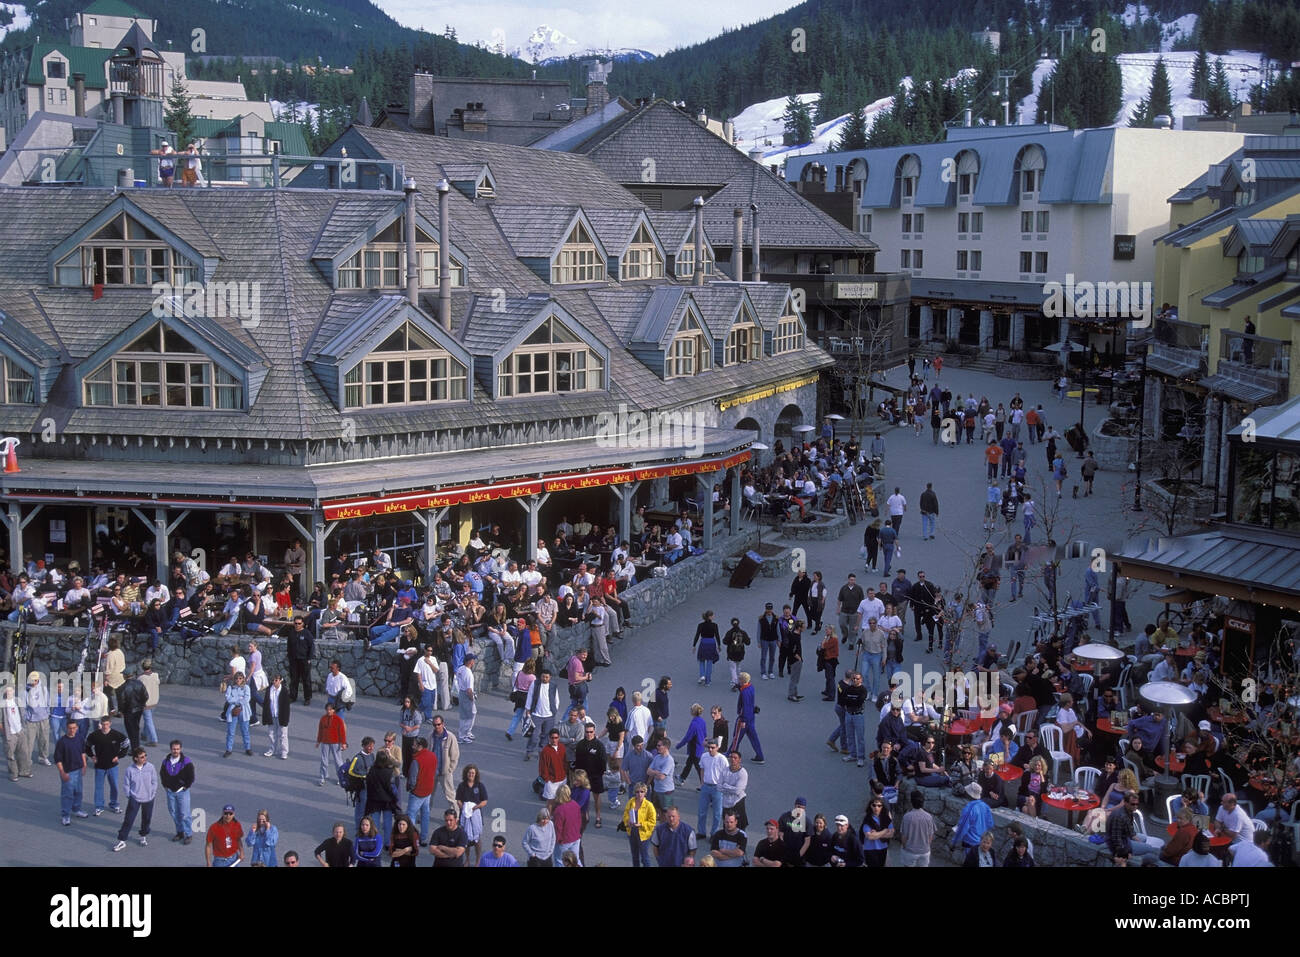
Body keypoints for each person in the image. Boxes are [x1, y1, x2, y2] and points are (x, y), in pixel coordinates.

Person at [572, 721, 608, 828]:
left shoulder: (599, 745)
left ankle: (598, 816)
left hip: (596, 775)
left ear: (594, 731)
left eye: (591, 732)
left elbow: (603, 761)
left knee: (596, 797)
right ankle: (584, 815)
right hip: (583, 776)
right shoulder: (580, 745)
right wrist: (577, 775)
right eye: (587, 732)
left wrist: (600, 773)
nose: (589, 734)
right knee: (583, 797)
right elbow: (577, 760)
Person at [1107, 790, 1159, 861]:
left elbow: (1130, 831)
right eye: (1132, 804)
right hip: (1118, 842)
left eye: (1137, 804)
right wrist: (1124, 852)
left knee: (1144, 838)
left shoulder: (1129, 811)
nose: (1135, 806)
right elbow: (1116, 839)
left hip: (1124, 836)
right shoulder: (1120, 816)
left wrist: (1138, 841)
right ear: (1125, 803)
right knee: (1150, 848)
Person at [456, 764, 489, 864]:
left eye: (473, 773)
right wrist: (464, 808)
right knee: (465, 839)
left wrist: (475, 807)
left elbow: (484, 801)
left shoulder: (480, 786)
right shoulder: (462, 785)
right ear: (466, 774)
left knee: (477, 839)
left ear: (476, 774)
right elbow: (458, 800)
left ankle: (478, 860)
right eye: (469, 773)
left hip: (476, 815)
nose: (471, 774)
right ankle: (467, 859)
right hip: (465, 816)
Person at [730, 672, 764, 764]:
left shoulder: (744, 693)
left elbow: (745, 706)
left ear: (742, 680)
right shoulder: (750, 687)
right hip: (751, 717)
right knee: (754, 737)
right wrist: (738, 687)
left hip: (744, 718)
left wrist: (743, 719)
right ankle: (760, 756)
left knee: (737, 737)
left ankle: (731, 753)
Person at [620, 782, 656, 866]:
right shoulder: (631, 802)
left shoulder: (649, 805)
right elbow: (625, 814)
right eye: (637, 792)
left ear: (645, 792)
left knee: (645, 857)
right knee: (634, 856)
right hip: (632, 832)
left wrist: (641, 824)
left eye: (642, 791)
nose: (639, 794)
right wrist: (627, 821)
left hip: (643, 834)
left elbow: (652, 822)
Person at [898, 789, 935, 866]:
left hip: (910, 851)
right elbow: (930, 836)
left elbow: (904, 837)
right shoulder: (929, 817)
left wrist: (905, 847)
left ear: (911, 802)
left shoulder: (907, 817)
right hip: (925, 851)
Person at [315, 702, 348, 786]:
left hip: (335, 743)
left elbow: (342, 732)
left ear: (334, 710)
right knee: (324, 761)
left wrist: (343, 743)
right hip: (325, 742)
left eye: (331, 709)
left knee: (338, 761)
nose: (329, 711)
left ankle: (340, 777)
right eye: (327, 709)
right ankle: (322, 776)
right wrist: (318, 741)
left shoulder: (338, 720)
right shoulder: (323, 719)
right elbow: (320, 731)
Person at [221, 672, 252, 758]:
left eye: (240, 678)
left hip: (244, 710)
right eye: (236, 678)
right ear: (234, 679)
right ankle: (229, 749)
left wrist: (237, 701)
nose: (238, 680)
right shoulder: (231, 687)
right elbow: (228, 698)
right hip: (233, 711)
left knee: (245, 731)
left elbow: (247, 699)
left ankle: (248, 748)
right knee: (231, 731)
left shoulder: (246, 687)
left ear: (243, 679)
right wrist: (239, 700)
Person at [430, 715, 460, 804]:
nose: (437, 727)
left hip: (445, 773)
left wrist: (450, 769)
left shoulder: (450, 737)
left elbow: (455, 755)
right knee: (428, 796)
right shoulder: (430, 736)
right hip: (432, 772)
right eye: (434, 725)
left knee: (451, 797)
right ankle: (425, 817)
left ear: (443, 724)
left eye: (438, 724)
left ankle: (456, 816)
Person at [262, 674, 291, 759]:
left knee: (283, 735)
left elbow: (287, 707)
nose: (274, 682)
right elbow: (266, 703)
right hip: (271, 715)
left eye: (276, 680)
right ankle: (272, 749)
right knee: (271, 734)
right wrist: (266, 715)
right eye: (273, 680)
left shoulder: (284, 691)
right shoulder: (269, 690)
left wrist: (286, 719)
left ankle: (284, 752)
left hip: (281, 716)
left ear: (280, 680)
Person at [693, 610, 720, 686]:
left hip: (703, 642)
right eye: (713, 615)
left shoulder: (700, 625)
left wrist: (694, 645)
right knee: (709, 662)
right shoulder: (715, 625)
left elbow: (697, 635)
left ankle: (702, 675)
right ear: (710, 617)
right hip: (711, 643)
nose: (714, 617)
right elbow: (717, 635)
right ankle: (708, 681)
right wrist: (719, 645)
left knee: (701, 659)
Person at [722, 617, 750, 690]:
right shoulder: (743, 632)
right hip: (740, 653)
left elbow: (724, 642)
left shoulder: (729, 632)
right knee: (738, 667)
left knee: (733, 668)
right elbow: (748, 643)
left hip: (731, 653)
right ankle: (740, 682)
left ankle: (734, 683)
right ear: (738, 623)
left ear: (731, 624)